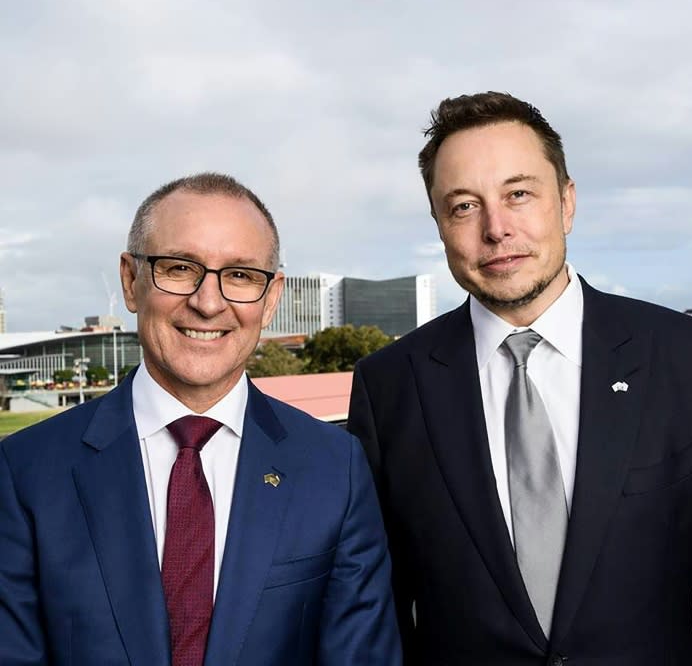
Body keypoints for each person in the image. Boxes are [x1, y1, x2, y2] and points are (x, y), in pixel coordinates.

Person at [347, 92, 692, 665]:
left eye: (518, 194)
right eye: (464, 206)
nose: (496, 229)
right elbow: (379, 610)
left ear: (566, 203)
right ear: (440, 225)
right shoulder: (388, 385)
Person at [0, 172, 401, 666]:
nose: (208, 303)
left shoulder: (334, 468)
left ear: (271, 298)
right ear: (130, 281)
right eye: (179, 267)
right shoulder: (24, 472)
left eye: (240, 275)